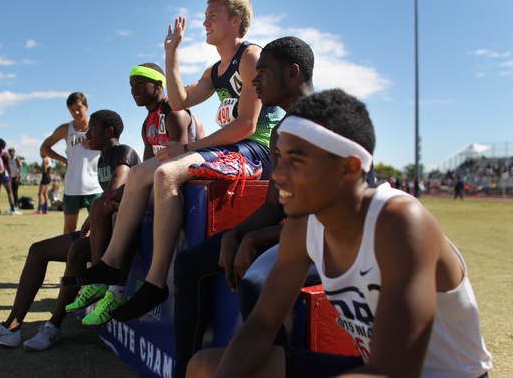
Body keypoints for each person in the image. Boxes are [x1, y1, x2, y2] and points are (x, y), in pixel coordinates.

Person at [187, 89, 492, 378]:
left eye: (297, 159)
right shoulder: (303, 226)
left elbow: (396, 372)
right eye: (278, 157)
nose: (278, 173)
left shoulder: (400, 222)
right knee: (204, 367)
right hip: (375, 366)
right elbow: (262, 325)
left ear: (349, 167)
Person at [61, 0, 284, 322]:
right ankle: (109, 264)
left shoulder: (250, 56)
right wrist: (172, 51)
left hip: (257, 150)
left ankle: (155, 283)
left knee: (167, 173)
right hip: (232, 149)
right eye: (205, 15)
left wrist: (190, 148)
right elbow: (179, 101)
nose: (204, 22)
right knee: (138, 175)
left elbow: (247, 124)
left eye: (213, 15)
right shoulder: (217, 68)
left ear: (235, 21)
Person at [172, 36, 315, 376]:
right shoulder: (281, 132)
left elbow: (330, 222)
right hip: (294, 235)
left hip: (329, 245)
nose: (254, 81)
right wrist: (235, 235)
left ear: (292, 73)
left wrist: (254, 240)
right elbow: (273, 207)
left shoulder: (331, 124)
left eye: (263, 72)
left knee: (256, 280)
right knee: (189, 263)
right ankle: (182, 370)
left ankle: (276, 367)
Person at [0, 110, 141, 350]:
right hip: (101, 232)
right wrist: (91, 222)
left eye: (92, 129)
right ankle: (11, 328)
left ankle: (53, 326)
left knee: (78, 248)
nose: (87, 134)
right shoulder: (102, 158)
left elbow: (114, 193)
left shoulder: (124, 153)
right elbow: (104, 202)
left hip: (116, 237)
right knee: (38, 250)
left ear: (110, 131)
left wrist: (91, 221)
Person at [40, 92, 101, 233]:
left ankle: (95, 255)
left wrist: (95, 143)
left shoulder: (98, 127)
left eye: (79, 107)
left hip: (94, 187)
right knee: (69, 228)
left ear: (86, 106)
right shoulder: (66, 129)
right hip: (72, 186)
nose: (76, 112)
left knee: (97, 226)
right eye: (72, 109)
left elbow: (114, 145)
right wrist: (63, 160)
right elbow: (44, 148)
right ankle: (68, 255)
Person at [0, 139, 19, 215]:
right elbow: (8, 166)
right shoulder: (5, 154)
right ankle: (13, 209)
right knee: (10, 192)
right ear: (3, 145)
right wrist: (10, 176)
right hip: (3, 175)